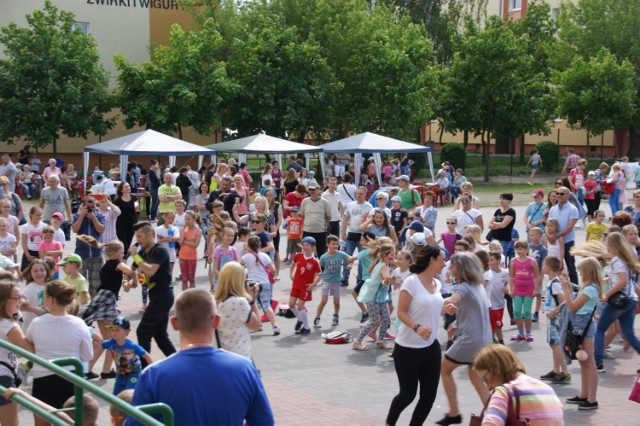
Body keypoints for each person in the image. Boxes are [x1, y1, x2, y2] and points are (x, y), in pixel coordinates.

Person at [127, 288, 273, 425]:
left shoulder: (153, 375)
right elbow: (264, 421)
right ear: (216, 321)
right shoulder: (245, 368)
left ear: (174, 323)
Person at [388, 243, 444, 426]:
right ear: (432, 260)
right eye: (442, 260)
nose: (445, 263)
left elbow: (429, 307)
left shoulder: (437, 283)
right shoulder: (411, 282)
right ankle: (390, 423)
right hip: (408, 349)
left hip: (432, 347)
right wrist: (417, 327)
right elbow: (401, 312)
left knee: (428, 396)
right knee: (407, 395)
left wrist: (446, 307)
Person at [26, 280, 93, 426]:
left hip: (42, 378)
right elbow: (87, 355)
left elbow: (28, 343)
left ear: (51, 299)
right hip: (70, 378)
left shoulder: (37, 323)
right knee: (70, 422)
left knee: (41, 422)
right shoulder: (79, 324)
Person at [437, 252, 492, 426]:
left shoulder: (462, 288)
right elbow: (472, 311)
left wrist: (429, 301)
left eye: (452, 266)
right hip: (484, 338)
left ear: (460, 268)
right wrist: (456, 323)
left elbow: (453, 300)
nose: (449, 268)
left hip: (470, 339)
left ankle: (454, 413)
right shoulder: (478, 285)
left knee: (444, 369)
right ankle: (495, 413)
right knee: (475, 376)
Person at [473, 344, 564, 425]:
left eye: (485, 379)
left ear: (495, 369)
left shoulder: (505, 392)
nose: (488, 387)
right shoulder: (547, 389)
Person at [128, 222, 177, 367]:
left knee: (143, 331)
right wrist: (129, 281)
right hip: (155, 295)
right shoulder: (143, 252)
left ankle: (145, 368)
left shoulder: (159, 250)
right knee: (160, 335)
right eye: (136, 237)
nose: (138, 240)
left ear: (149, 234)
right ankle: (177, 362)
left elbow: (150, 271)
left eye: (140, 236)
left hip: (163, 296)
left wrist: (135, 256)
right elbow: (132, 269)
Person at [594, 232, 640, 373]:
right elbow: (623, 280)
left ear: (612, 243)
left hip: (619, 301)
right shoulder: (622, 259)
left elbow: (623, 281)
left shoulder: (617, 261)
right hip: (630, 300)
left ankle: (597, 363)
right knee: (629, 334)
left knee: (600, 328)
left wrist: (607, 294)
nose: (605, 242)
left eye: (607, 241)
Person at [560, 257, 602, 410]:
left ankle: (592, 399)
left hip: (584, 328)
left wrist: (565, 288)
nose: (579, 272)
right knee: (584, 362)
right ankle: (583, 394)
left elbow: (572, 307)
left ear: (587, 271)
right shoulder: (588, 287)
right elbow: (575, 303)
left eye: (580, 270)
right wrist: (567, 283)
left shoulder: (591, 288)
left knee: (589, 362)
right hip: (580, 327)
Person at [0, 280, 35, 426]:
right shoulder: (8, 324)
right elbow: (29, 350)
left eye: (22, 297)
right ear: (3, 299)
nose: (21, 301)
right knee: (11, 424)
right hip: (3, 377)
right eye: (17, 298)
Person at [214, 262, 261, 359]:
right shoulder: (240, 302)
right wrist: (252, 300)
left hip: (223, 357)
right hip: (241, 357)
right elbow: (256, 326)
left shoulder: (215, 302)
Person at [101, 317, 153, 395]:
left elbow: (146, 355)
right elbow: (99, 344)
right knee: (116, 396)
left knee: (129, 395)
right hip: (121, 374)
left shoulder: (132, 346)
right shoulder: (110, 343)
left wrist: (152, 371)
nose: (113, 332)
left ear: (126, 332)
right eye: (112, 330)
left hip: (134, 374)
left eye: (117, 330)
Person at [241, 235, 279, 336]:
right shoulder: (265, 256)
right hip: (265, 283)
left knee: (252, 305)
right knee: (267, 306)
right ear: (259, 245)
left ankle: (257, 325)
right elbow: (273, 270)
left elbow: (238, 267)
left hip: (252, 284)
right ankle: (275, 326)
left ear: (248, 246)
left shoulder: (246, 257)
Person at [314, 235, 354, 328]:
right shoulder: (324, 257)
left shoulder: (340, 254)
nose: (336, 246)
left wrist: (350, 265)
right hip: (326, 282)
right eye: (333, 244)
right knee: (323, 301)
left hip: (336, 282)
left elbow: (350, 259)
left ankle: (336, 315)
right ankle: (317, 318)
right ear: (327, 244)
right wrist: (313, 281)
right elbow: (318, 269)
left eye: (337, 244)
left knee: (336, 302)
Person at [72, 196, 106, 297]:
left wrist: (93, 218)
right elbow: (74, 229)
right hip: (81, 253)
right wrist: (82, 216)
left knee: (96, 284)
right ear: (83, 206)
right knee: (80, 282)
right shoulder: (78, 215)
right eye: (88, 207)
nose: (91, 209)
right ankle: (82, 305)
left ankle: (93, 305)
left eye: (93, 207)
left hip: (96, 254)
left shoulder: (99, 215)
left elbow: (101, 230)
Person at [288, 236, 322, 335]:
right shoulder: (298, 256)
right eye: (304, 245)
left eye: (307, 245)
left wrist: (313, 284)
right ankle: (300, 319)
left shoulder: (315, 261)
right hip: (296, 284)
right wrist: (291, 274)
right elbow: (293, 264)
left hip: (306, 287)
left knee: (300, 306)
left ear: (312, 247)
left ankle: (306, 327)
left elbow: (320, 275)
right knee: (291, 304)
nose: (305, 247)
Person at [341, 186, 373, 286]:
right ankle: (345, 278)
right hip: (351, 234)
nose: (359, 196)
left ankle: (360, 279)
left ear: (365, 195)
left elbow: (370, 221)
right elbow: (345, 219)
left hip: (362, 236)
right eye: (357, 194)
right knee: (347, 257)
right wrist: (343, 232)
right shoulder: (350, 205)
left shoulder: (369, 206)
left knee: (361, 258)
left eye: (361, 194)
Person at [548, 186, 579, 285]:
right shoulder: (553, 209)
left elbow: (570, 227)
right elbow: (549, 224)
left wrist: (556, 236)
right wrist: (549, 236)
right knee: (554, 266)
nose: (559, 196)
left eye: (562, 194)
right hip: (554, 243)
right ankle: (555, 287)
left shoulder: (572, 209)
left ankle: (574, 288)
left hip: (568, 241)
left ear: (568, 195)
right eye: (557, 193)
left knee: (570, 267)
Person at [299, 181, 331, 257]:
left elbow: (328, 217)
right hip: (308, 230)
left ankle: (321, 269)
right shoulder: (305, 201)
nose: (312, 191)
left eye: (313, 189)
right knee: (306, 252)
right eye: (310, 190)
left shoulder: (324, 202)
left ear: (318, 189)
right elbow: (302, 216)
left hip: (320, 231)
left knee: (322, 252)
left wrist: (325, 225)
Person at [114, 182, 138, 255]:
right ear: (121, 190)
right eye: (126, 187)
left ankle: (124, 260)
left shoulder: (134, 198)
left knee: (128, 243)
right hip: (121, 225)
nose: (128, 188)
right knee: (124, 244)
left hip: (132, 224)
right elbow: (116, 212)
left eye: (129, 186)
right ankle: (123, 260)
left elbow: (137, 209)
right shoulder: (117, 200)